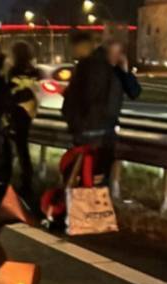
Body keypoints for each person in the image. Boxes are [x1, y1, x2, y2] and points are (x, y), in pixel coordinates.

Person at [61, 39, 142, 186]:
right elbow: (133, 93)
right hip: (98, 136)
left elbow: (134, 92)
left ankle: (84, 204)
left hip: (93, 135)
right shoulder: (97, 68)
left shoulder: (105, 68)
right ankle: (89, 205)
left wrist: (125, 71)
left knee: (88, 179)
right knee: (96, 181)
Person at [7, 41, 38, 196]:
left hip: (17, 112)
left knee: (18, 146)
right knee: (22, 145)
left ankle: (22, 180)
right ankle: (27, 178)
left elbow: (10, 93)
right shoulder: (33, 71)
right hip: (28, 112)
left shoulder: (13, 71)